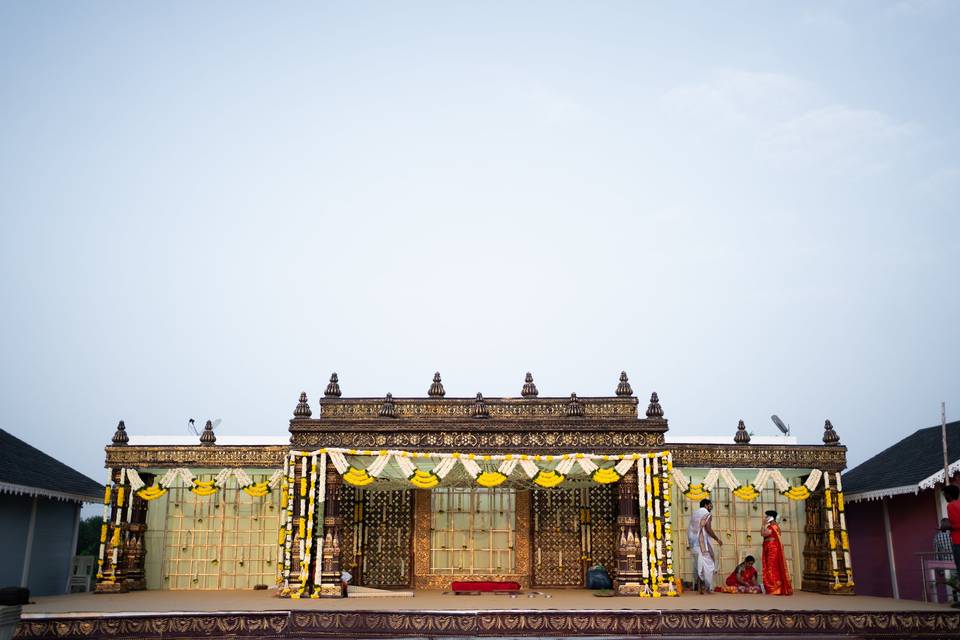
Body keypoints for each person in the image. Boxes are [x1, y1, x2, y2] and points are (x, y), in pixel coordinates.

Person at [687, 498, 722, 594]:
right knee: (708, 565)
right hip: (702, 543)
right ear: (706, 505)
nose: (712, 507)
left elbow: (690, 528)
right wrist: (717, 539)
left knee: (699, 565)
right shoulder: (706, 514)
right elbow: (708, 529)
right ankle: (707, 587)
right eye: (711, 505)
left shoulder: (695, 514)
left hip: (694, 544)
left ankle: (700, 588)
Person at [761, 510, 793, 595]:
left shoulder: (774, 526)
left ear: (771, 517)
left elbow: (763, 534)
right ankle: (773, 587)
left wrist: (763, 525)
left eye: (766, 516)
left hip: (772, 548)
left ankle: (775, 587)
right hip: (769, 547)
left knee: (772, 567)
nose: (765, 518)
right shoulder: (772, 526)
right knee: (770, 567)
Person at [940, 484, 960, 607]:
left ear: (949, 495)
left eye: (945, 494)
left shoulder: (951, 506)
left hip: (958, 542)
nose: (944, 497)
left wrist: (948, 527)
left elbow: (957, 525)